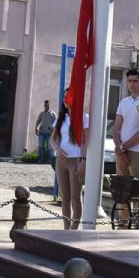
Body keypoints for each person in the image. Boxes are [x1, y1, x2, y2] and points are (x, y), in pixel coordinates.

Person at [49, 96, 88, 231]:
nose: (66, 100)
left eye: (69, 97)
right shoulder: (61, 118)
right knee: (65, 196)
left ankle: (74, 229)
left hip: (76, 160)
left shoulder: (84, 117)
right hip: (61, 160)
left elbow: (86, 141)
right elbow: (52, 140)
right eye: (64, 98)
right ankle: (66, 229)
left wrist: (84, 160)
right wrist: (58, 149)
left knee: (75, 197)